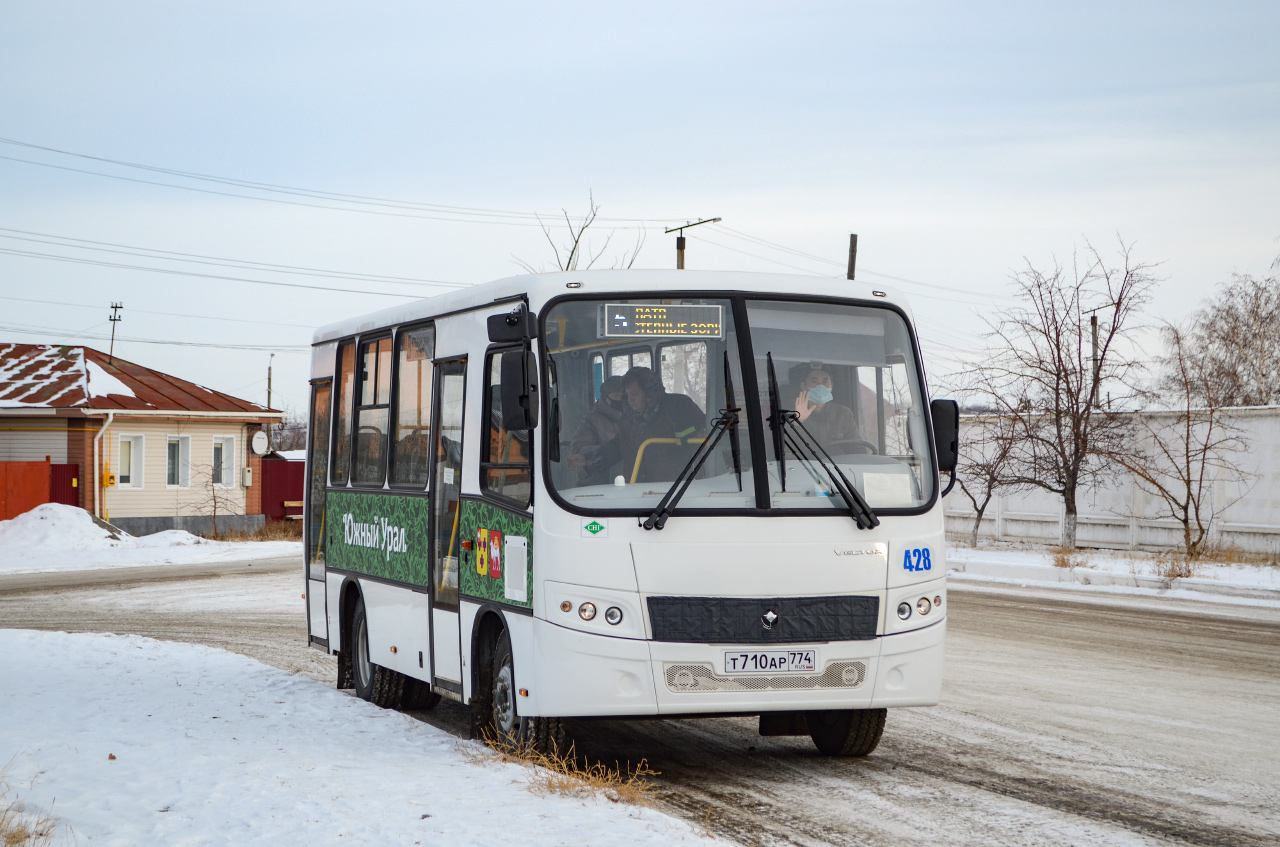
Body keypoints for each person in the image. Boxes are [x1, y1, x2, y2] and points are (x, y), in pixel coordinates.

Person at [606, 366, 706, 482]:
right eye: (627, 395)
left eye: (635, 394)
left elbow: (705, 428)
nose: (630, 400)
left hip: (674, 489)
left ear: (649, 392)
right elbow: (616, 447)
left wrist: (698, 435)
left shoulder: (678, 406)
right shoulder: (627, 419)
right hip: (636, 491)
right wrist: (587, 460)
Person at [565, 376, 627, 485]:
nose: (620, 399)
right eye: (615, 395)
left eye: (623, 395)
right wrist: (600, 452)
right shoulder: (593, 418)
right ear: (606, 398)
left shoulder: (633, 416)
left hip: (625, 480)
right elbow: (576, 448)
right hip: (598, 483)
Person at [793, 367, 863, 449]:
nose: (820, 386)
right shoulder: (791, 414)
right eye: (814, 381)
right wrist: (797, 422)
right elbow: (785, 450)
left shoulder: (843, 414)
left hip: (838, 462)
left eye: (825, 381)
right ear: (803, 386)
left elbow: (858, 451)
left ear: (831, 386)